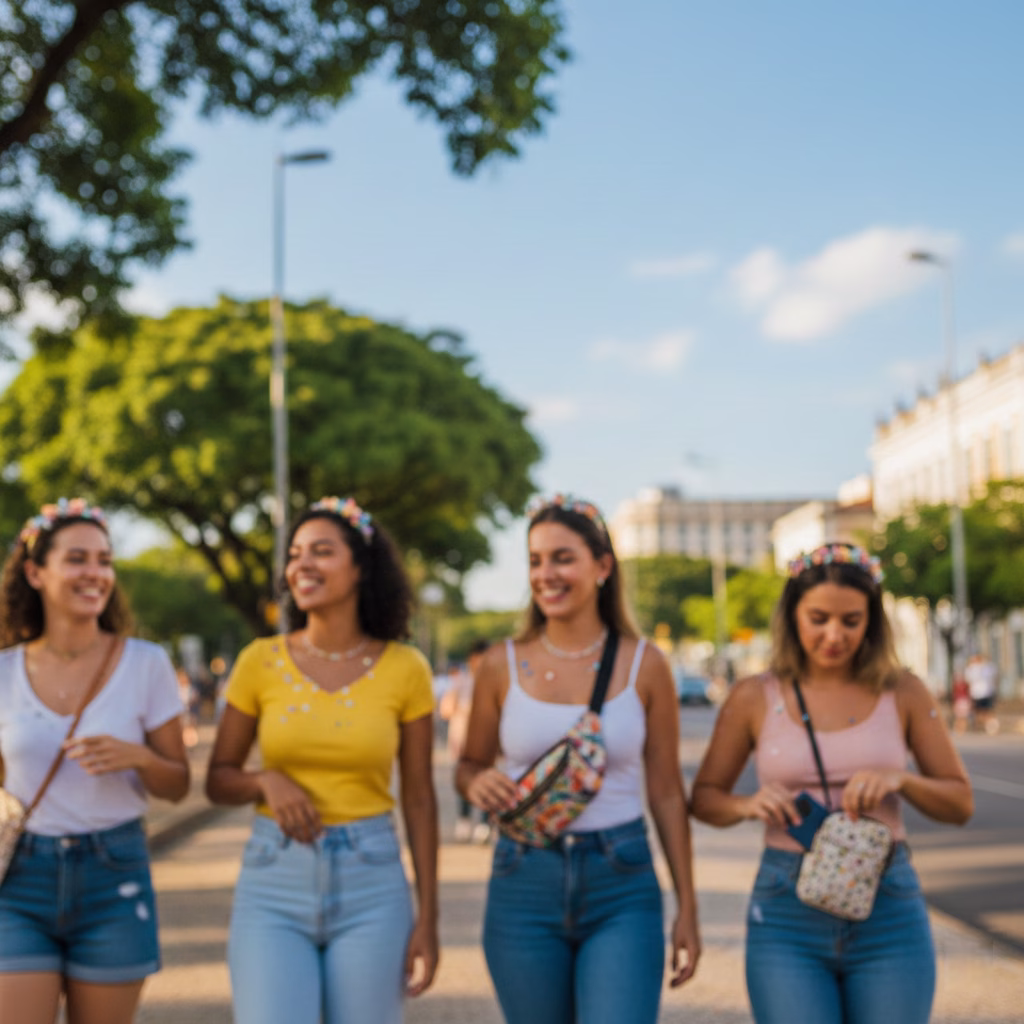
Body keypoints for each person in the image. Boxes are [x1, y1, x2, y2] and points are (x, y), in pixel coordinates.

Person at [690, 542, 973, 1024]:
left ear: (872, 621)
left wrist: (901, 779)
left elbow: (960, 803)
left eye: (851, 620)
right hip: (787, 911)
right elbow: (704, 799)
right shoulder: (754, 695)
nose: (834, 635)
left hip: (887, 906)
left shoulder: (903, 690)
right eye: (818, 619)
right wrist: (747, 805)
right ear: (791, 616)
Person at [456, 494, 701, 1024]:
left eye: (563, 558)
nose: (546, 574)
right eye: (536, 560)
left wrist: (688, 905)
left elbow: (665, 792)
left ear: (602, 566)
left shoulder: (646, 664)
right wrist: (475, 783)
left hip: (622, 880)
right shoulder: (500, 664)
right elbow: (469, 764)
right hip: (523, 878)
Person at [206, 496, 438, 1024]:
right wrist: (265, 781)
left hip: (373, 884)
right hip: (274, 882)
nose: (302, 564)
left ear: (361, 568)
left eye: (322, 551)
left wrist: (429, 917)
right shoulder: (259, 661)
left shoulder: (407, 668)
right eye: (295, 554)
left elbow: (420, 799)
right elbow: (218, 780)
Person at [0, 498, 190, 1024]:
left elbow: (177, 785)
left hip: (114, 873)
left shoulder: (146, 663)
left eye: (105, 560)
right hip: (20, 878)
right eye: (78, 559)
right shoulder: (4, 672)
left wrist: (139, 757)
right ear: (35, 573)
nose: (96, 573)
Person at [440, 640, 491, 842]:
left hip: (488, 742)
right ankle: (464, 820)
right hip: (462, 740)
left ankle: (485, 824)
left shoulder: (494, 680)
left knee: (488, 782)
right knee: (465, 780)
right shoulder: (461, 682)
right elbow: (446, 710)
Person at [964, 652, 999, 735]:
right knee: (979, 711)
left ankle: (989, 726)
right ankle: (983, 726)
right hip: (977, 693)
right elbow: (968, 680)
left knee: (987, 710)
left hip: (985, 693)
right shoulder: (972, 668)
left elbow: (994, 678)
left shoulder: (987, 667)